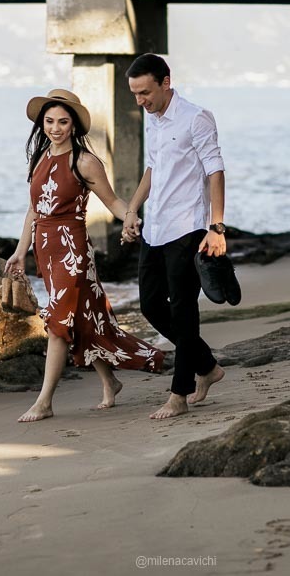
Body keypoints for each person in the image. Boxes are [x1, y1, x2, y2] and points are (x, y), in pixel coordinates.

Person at [6, 88, 166, 423]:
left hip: (72, 251)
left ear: (74, 125)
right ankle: (110, 382)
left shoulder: (84, 161)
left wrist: (132, 217)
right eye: (50, 121)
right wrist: (21, 251)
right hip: (46, 251)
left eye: (63, 122)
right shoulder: (40, 158)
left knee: (58, 323)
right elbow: (34, 209)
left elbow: (112, 201)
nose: (55, 128)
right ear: (42, 123)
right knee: (83, 319)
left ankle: (44, 401)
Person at [120, 54, 228, 420]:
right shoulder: (152, 120)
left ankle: (179, 394)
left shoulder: (196, 118)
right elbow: (153, 167)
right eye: (135, 94)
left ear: (166, 83)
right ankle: (207, 366)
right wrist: (132, 209)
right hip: (156, 227)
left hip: (188, 227)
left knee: (183, 312)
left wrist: (216, 227)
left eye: (145, 92)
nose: (140, 101)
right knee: (151, 305)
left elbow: (215, 171)